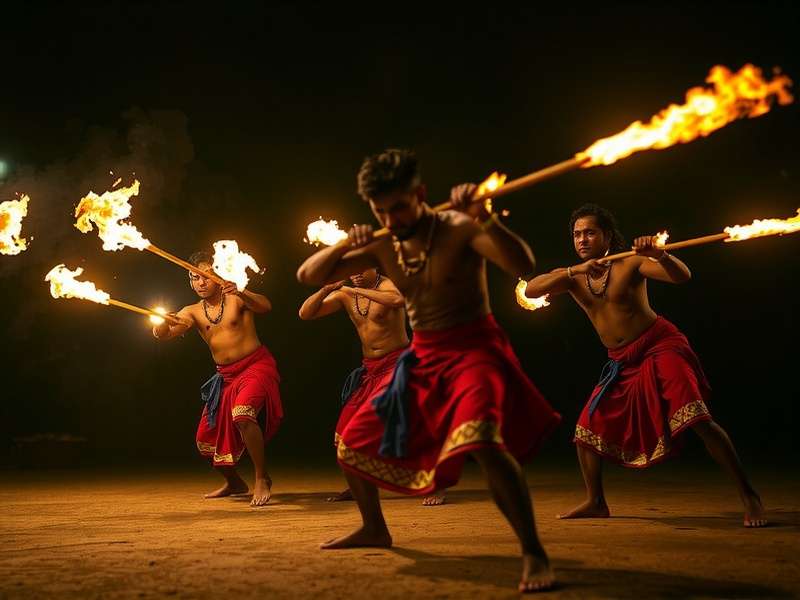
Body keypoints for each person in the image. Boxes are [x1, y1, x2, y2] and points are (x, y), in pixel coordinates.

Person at [297, 149, 561, 593]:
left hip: (474, 350)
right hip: (423, 357)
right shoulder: (382, 243)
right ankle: (374, 528)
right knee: (351, 443)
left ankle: (534, 552)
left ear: (420, 194)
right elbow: (309, 276)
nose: (392, 218)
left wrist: (487, 218)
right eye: (381, 211)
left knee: (483, 442)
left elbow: (523, 266)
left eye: (398, 206)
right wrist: (346, 243)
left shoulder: (457, 228)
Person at [524, 203, 766, 527]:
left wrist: (660, 255)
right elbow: (531, 288)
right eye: (577, 234)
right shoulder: (572, 278)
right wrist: (573, 271)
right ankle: (595, 502)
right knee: (587, 426)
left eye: (590, 233)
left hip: (660, 347)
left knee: (696, 417)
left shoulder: (630, 263)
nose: (582, 239)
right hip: (621, 363)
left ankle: (749, 496)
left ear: (607, 236)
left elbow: (682, 276)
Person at [299, 269, 447, 506]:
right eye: (351, 271)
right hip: (371, 370)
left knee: (404, 425)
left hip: (399, 364)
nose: (355, 274)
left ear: (373, 266)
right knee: (345, 431)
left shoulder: (388, 285)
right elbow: (305, 313)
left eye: (360, 269)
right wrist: (327, 288)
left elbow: (398, 300)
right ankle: (359, 484)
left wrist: (354, 289)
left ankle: (436, 484)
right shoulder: (344, 295)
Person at [153, 251, 282, 507]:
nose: (200, 283)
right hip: (226, 377)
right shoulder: (191, 312)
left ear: (217, 275)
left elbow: (266, 306)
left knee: (243, 414)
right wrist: (161, 325)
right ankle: (234, 481)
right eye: (194, 278)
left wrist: (243, 291)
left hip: (256, 367)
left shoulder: (236, 298)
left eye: (205, 277)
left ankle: (262, 477)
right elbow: (164, 335)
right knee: (204, 438)